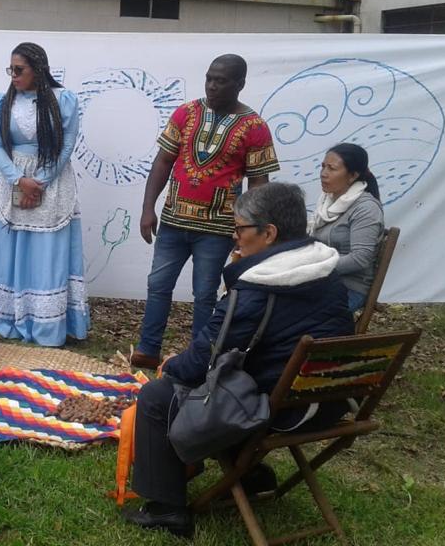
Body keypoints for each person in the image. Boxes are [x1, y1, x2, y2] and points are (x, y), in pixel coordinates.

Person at [122, 183, 354, 537]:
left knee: (159, 395)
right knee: (239, 377)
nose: (234, 237)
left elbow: (203, 361)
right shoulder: (327, 272)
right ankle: (250, 474)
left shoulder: (257, 289)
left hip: (284, 412)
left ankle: (167, 508)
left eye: (240, 229)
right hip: (329, 401)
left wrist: (170, 365)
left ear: (269, 233)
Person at [131, 54, 280, 370]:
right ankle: (148, 348)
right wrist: (148, 208)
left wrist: (248, 230)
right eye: (210, 78)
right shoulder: (185, 113)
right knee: (158, 284)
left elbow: (259, 183)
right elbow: (162, 162)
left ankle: (199, 358)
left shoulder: (255, 128)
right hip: (173, 220)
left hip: (218, 227)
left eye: (221, 80)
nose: (212, 85)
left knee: (204, 295)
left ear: (240, 84)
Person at [0, 42, 88, 347]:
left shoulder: (64, 101)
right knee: (2, 248)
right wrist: (18, 179)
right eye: (11, 70)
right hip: (8, 181)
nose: (13, 75)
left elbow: (66, 146)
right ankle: (0, 318)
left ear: (38, 68)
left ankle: (44, 324)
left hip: (52, 181)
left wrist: (40, 181)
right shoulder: (2, 102)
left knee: (45, 253)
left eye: (19, 70)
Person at [309, 143, 384, 312]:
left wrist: (314, 267)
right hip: (322, 281)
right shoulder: (327, 201)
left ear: (352, 176)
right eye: (322, 167)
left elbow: (359, 258)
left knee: (288, 316)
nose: (323, 174)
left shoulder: (366, 208)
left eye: (332, 169)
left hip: (349, 288)